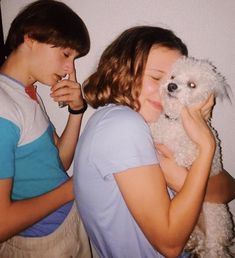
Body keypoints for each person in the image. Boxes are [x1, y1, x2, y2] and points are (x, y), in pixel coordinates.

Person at [73, 26, 235, 258]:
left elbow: (228, 189)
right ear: (121, 69)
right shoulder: (123, 125)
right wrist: (207, 146)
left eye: (172, 80)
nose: (166, 90)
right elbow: (170, 244)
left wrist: (181, 177)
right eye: (157, 77)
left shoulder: (136, 123)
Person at [0, 1, 92, 257]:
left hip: (66, 222)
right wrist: (73, 188)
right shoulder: (3, 108)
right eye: (66, 54)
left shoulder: (27, 93)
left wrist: (77, 110)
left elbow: (58, 163)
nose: (69, 70)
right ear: (30, 38)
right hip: (39, 244)